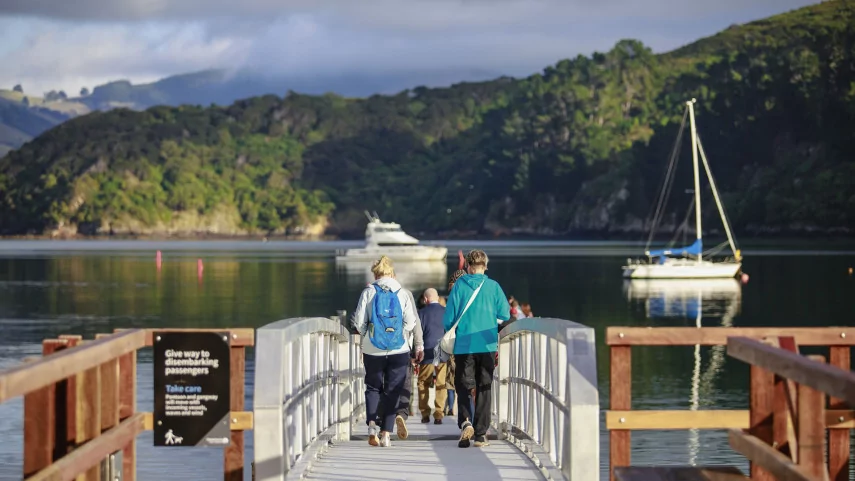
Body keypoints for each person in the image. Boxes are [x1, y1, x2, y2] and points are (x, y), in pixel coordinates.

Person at [352, 256, 424, 447]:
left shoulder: (368, 291)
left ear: (375, 274)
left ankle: (372, 427)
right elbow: (410, 322)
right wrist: (400, 334)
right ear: (392, 272)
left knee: (373, 387)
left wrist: (369, 336)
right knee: (393, 390)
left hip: (372, 349)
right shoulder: (402, 292)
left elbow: (358, 323)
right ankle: (385, 434)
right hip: (398, 350)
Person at [443, 249, 510, 448]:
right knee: (484, 387)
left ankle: (466, 422)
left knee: (463, 385)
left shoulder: (459, 287)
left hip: (464, 345)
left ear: (468, 266)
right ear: (485, 266)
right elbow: (505, 315)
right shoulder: (493, 287)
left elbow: (448, 320)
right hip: (487, 343)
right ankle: (481, 435)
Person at [417, 288, 447, 424]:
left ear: (425, 299)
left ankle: (425, 413)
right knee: (441, 383)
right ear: (437, 297)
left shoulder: (421, 313)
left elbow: (417, 335)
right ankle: (439, 413)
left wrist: (414, 353)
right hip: (442, 352)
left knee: (423, 383)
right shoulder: (446, 312)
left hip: (426, 353)